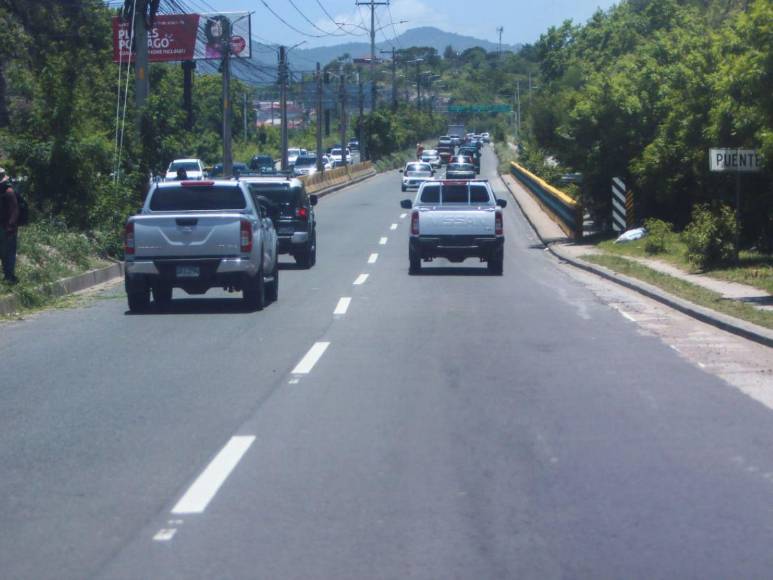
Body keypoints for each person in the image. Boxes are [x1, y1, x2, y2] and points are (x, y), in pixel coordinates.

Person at [0, 167, 19, 284]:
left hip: (7, 228)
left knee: (8, 253)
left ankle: (9, 277)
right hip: (3, 227)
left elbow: (15, 210)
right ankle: (7, 277)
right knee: (4, 253)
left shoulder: (9, 192)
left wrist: (10, 226)